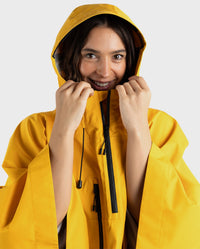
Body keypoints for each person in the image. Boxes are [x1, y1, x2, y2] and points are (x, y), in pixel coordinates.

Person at [0, 3, 199, 249]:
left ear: (130, 59)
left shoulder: (159, 126)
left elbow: (163, 221)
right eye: (91, 55)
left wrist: (137, 129)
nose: (105, 71)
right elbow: (34, 225)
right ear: (70, 56)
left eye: (117, 56)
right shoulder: (34, 129)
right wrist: (62, 130)